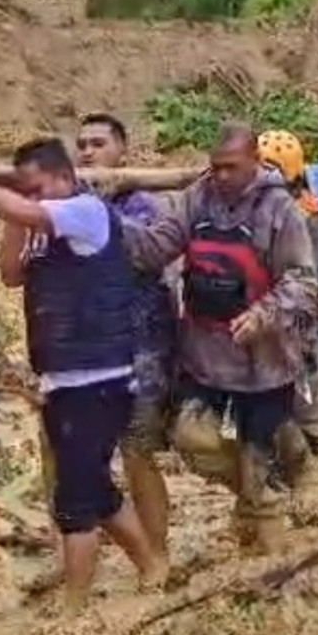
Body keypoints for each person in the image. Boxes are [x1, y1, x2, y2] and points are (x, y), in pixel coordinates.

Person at [0, 138, 165, 610]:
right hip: (63, 379)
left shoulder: (84, 211)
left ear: (63, 177)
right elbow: (11, 272)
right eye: (27, 191)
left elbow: (33, 214)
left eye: (38, 188)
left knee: (75, 504)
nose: (33, 199)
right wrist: (12, 209)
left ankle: (74, 607)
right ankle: (153, 565)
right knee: (92, 486)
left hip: (98, 378)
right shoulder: (40, 220)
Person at [121, 123, 318, 553]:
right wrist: (105, 221)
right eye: (215, 168)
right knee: (191, 439)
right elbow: (156, 250)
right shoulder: (197, 198)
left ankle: (273, 553)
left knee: (257, 459)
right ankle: (259, 492)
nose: (221, 177)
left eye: (230, 168)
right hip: (205, 355)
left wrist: (263, 314)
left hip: (263, 361)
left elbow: (303, 282)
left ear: (254, 163)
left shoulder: (281, 210)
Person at [74, 112, 178, 562]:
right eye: (82, 145)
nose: (88, 152)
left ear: (122, 151)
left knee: (137, 453)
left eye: (98, 143)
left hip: (143, 353)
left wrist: (101, 213)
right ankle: (87, 555)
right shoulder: (73, 205)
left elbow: (150, 254)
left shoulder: (143, 207)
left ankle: (156, 556)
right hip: (92, 353)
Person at [256, 129, 318, 455]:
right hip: (272, 320)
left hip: (303, 323)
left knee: (316, 404)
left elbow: (310, 278)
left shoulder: (307, 216)